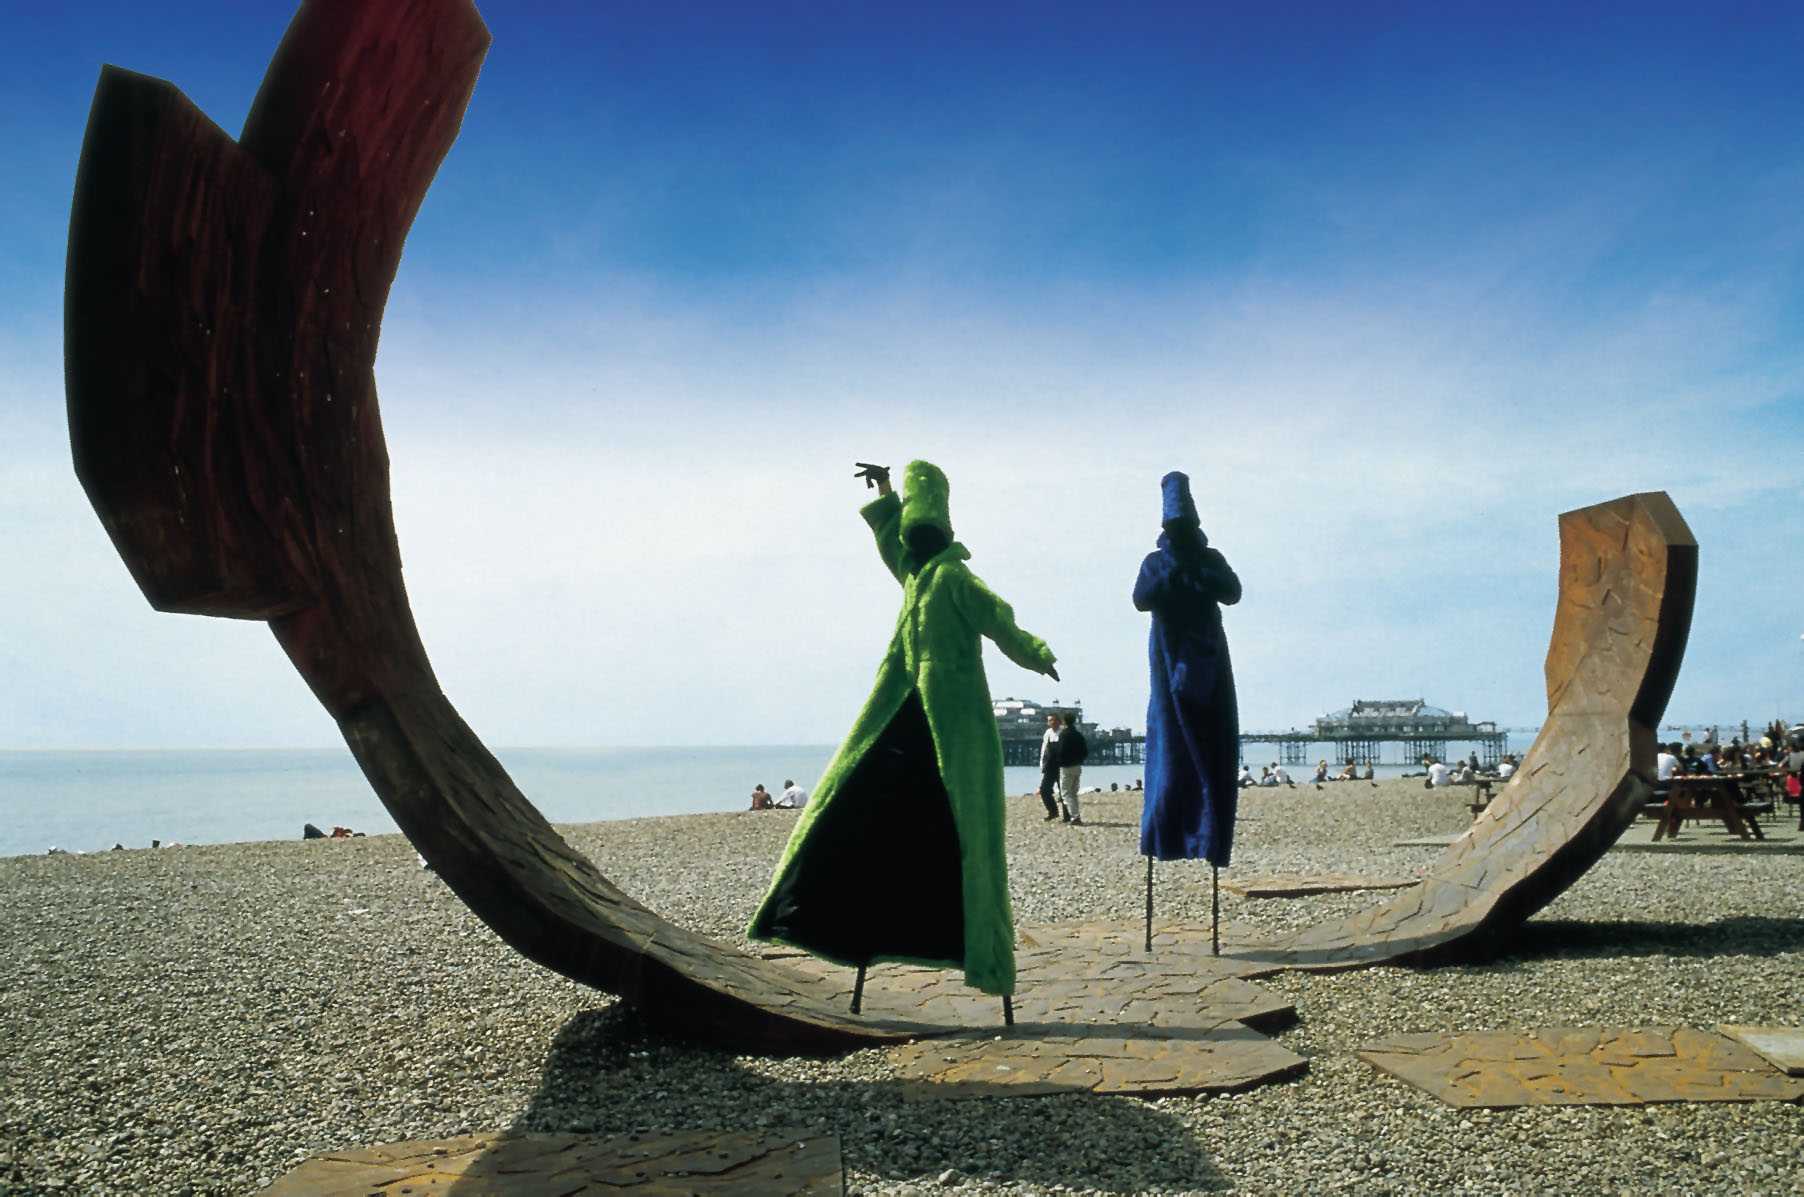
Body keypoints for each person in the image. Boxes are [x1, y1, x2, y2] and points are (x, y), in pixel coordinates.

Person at [749, 460, 1058, 1000]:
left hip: (951, 717)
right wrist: (888, 490)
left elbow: (998, 619)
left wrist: (1036, 653)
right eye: (914, 531)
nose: (914, 541)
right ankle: (837, 921)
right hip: (899, 705)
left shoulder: (955, 578)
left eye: (924, 529)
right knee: (858, 803)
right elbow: (891, 541)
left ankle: (975, 951)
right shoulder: (914, 575)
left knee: (960, 825)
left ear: (942, 529)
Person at [1133, 471, 1242, 868]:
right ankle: (1172, 833)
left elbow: (1232, 592)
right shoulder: (1158, 563)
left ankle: (1205, 835)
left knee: (1202, 747)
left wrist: (1190, 572)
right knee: (1172, 748)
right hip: (1170, 662)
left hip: (1204, 662)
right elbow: (1141, 598)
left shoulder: (1205, 561)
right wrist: (1178, 572)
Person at [1057, 711, 1088, 824]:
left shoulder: (1064, 734)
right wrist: (1080, 760)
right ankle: (1075, 815)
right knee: (1074, 793)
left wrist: (1059, 761)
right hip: (1077, 766)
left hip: (1066, 767)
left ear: (1064, 722)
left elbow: (1061, 750)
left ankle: (1075, 817)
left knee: (1065, 793)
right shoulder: (1078, 734)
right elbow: (1085, 751)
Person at [1039, 712, 1064, 822]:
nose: (1052, 722)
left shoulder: (1064, 732)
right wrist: (1042, 764)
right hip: (1050, 765)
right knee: (1044, 790)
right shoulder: (1048, 733)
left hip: (1062, 765)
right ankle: (1053, 812)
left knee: (1063, 791)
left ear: (1059, 721)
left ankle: (1067, 816)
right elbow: (1044, 750)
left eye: (1054, 720)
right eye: (1050, 720)